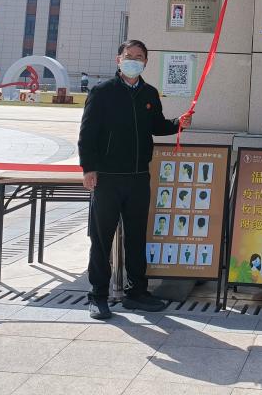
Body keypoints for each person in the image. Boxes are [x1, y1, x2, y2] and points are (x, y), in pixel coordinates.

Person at [79, 39, 192, 320]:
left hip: (139, 177)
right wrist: (89, 169)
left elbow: (156, 126)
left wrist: (178, 123)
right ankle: (98, 296)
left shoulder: (149, 93)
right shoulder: (102, 92)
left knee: (137, 237)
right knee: (101, 239)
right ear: (118, 60)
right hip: (107, 178)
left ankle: (136, 293)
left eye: (139, 57)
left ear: (146, 62)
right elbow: (87, 134)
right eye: (128, 56)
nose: (133, 60)